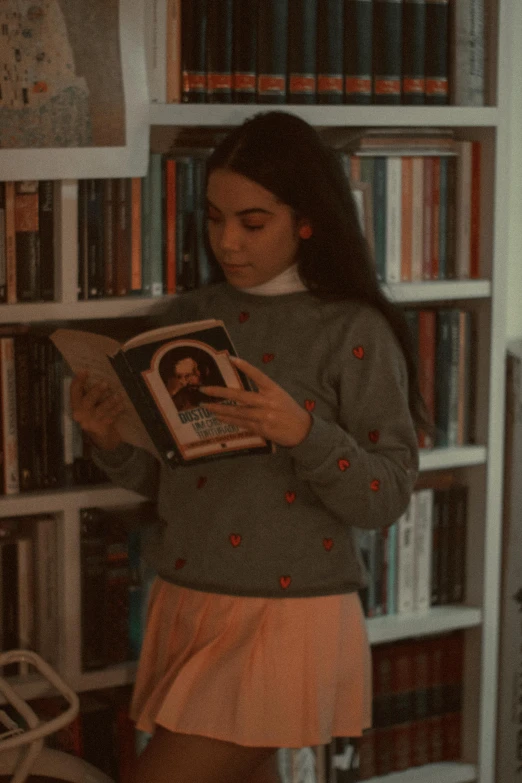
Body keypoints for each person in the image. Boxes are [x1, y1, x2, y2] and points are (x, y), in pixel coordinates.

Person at [70, 110, 429, 783]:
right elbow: (172, 481)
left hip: (289, 614)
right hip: (189, 597)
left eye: (252, 222)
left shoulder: (353, 328)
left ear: (307, 219)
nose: (228, 241)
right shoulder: (184, 320)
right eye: (214, 218)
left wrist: (303, 432)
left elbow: (385, 496)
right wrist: (108, 438)